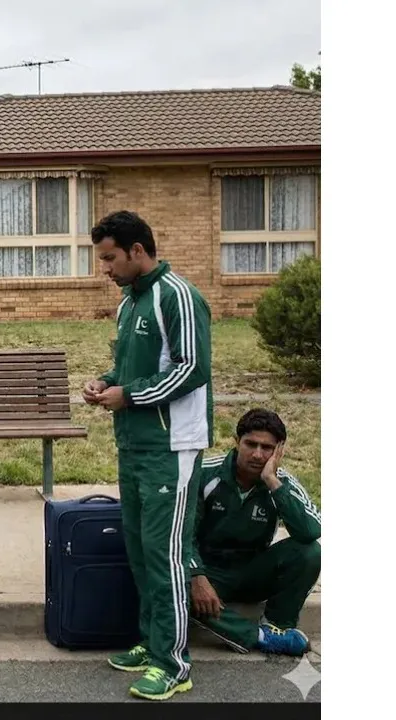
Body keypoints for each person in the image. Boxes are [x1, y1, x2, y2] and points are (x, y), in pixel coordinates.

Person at [83, 210, 213, 701]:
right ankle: (152, 641)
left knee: (166, 555)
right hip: (134, 444)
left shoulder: (177, 295)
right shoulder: (129, 303)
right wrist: (108, 383)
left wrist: (130, 396)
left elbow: (193, 369)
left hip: (171, 446)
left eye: (111, 257)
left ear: (138, 251)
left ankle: (174, 664)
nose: (105, 268)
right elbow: (128, 368)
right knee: (138, 551)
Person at [187, 409, 320, 657]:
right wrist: (196, 576)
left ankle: (278, 627)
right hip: (209, 571)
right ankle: (257, 637)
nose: (258, 454)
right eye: (251, 444)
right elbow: (183, 534)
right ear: (237, 442)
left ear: (279, 450)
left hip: (253, 570)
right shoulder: (205, 473)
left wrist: (271, 481)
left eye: (267, 448)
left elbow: (311, 530)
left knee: (310, 552)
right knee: (170, 585)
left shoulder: (281, 481)